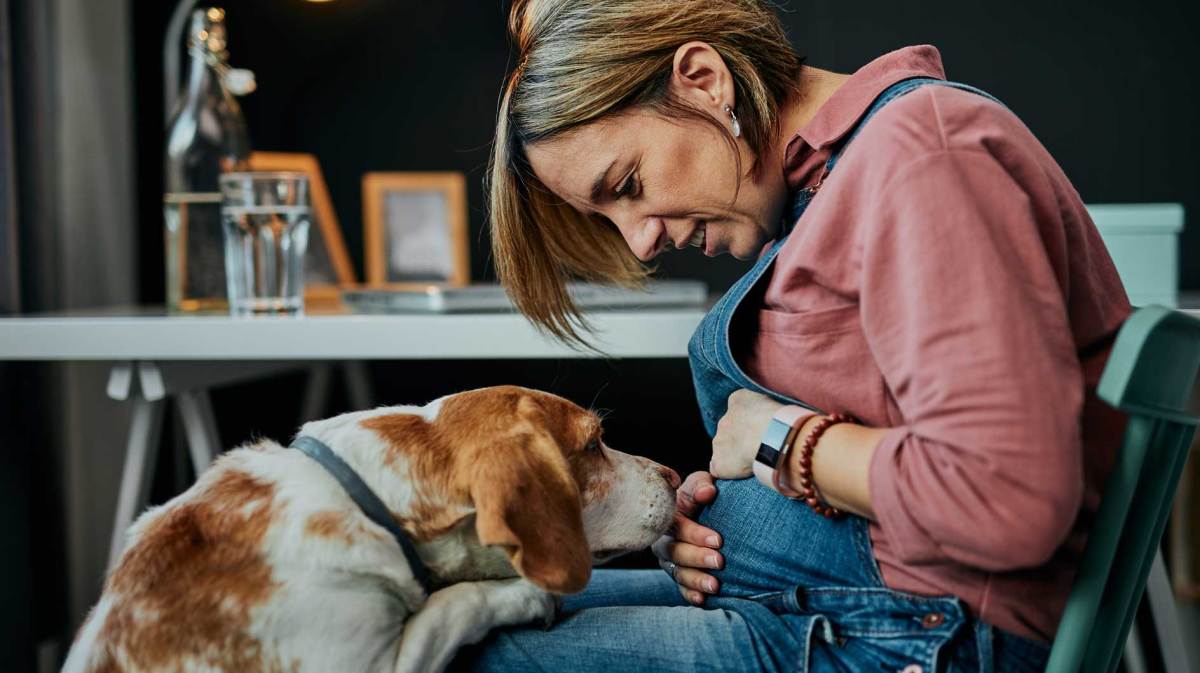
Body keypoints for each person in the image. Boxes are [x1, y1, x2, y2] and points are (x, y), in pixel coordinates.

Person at [458, 0, 1131, 671]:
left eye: (629, 184)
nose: (640, 242)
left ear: (703, 80)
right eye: (608, 218)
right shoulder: (831, 181)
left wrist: (781, 440)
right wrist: (715, 525)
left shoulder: (923, 158)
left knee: (464, 655)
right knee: (462, 610)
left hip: (920, 635)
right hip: (851, 608)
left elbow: (1009, 495)